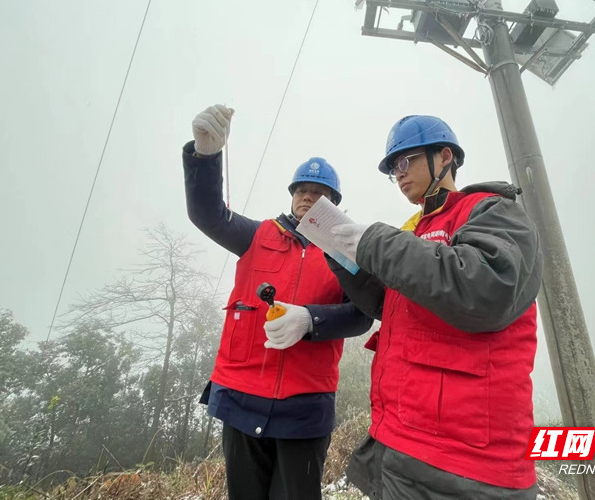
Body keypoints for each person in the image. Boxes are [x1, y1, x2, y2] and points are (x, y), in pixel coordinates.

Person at [270, 115, 544, 499]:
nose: (398, 175)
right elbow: (390, 304)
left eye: (404, 162)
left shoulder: (490, 211)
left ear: (444, 156)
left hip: (467, 469)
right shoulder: (414, 231)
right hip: (401, 447)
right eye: (391, 170)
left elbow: (489, 289)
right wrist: (341, 255)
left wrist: (374, 241)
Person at [181, 104, 373, 500]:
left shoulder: (345, 253)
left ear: (334, 203)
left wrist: (310, 319)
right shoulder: (258, 235)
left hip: (305, 409)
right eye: (302, 190)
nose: (308, 197)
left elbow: (361, 316)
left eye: (319, 193)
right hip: (240, 397)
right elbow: (208, 214)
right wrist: (206, 156)